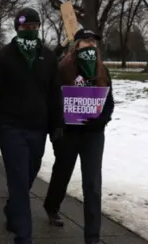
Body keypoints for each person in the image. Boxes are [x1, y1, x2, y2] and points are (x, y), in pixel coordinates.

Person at [0, 7, 64, 244]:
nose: (30, 31)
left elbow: (54, 93)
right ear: (17, 28)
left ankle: (12, 210)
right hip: (10, 127)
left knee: (29, 174)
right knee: (17, 180)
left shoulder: (48, 58)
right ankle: (23, 236)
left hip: (38, 127)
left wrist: (57, 124)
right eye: (25, 28)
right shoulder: (3, 57)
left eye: (34, 27)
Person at [43, 29, 114, 244]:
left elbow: (109, 101)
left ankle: (92, 237)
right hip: (69, 133)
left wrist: (102, 120)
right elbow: (53, 98)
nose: (90, 44)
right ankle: (52, 206)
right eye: (86, 41)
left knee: (92, 184)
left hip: (93, 134)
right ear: (77, 45)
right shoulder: (64, 68)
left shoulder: (102, 69)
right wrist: (57, 126)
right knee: (62, 172)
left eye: (93, 41)